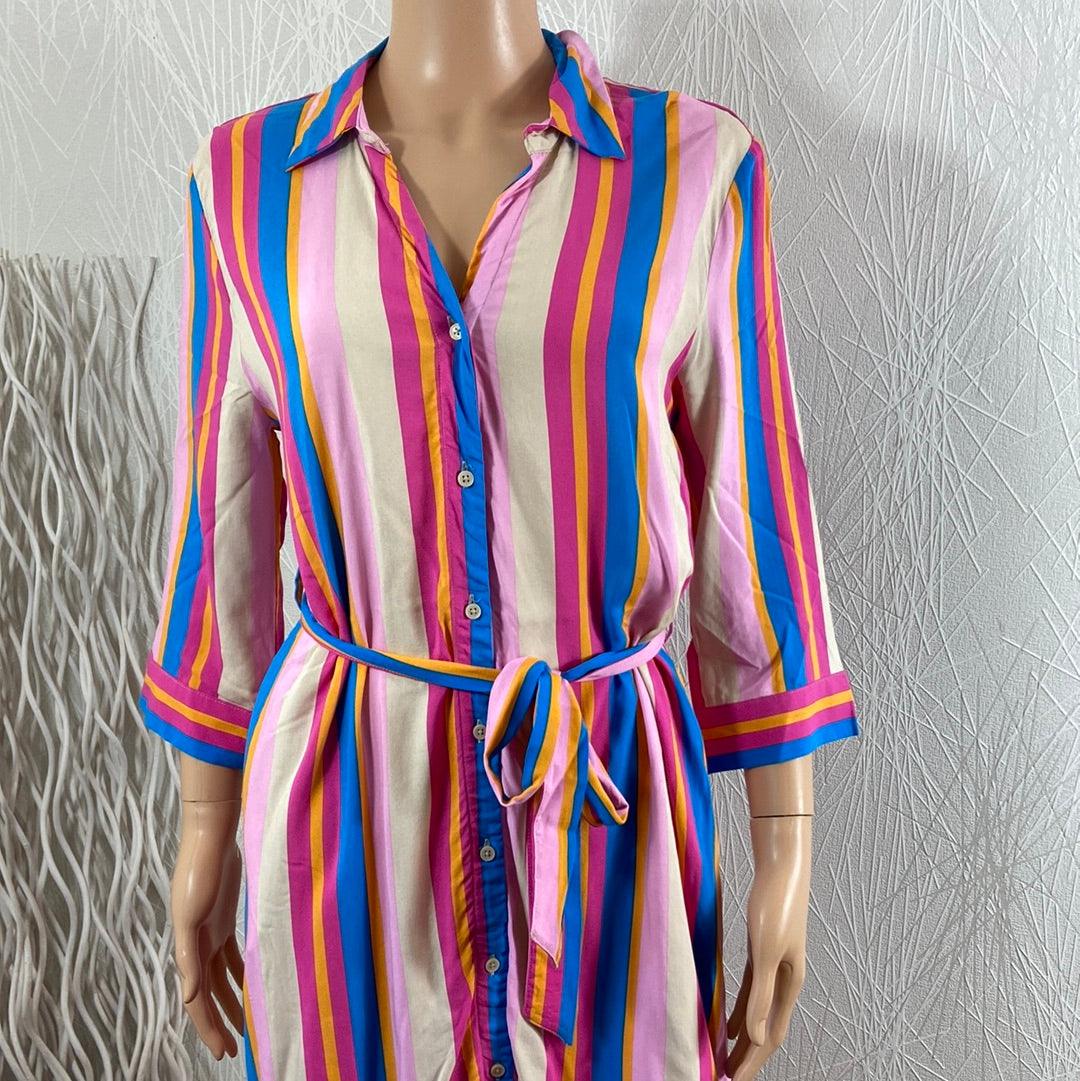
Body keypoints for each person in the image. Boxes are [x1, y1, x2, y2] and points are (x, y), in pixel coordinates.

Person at [138, 6, 860, 1080]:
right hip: (348, 818)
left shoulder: (695, 168)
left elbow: (755, 519)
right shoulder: (245, 183)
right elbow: (219, 525)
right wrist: (205, 828)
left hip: (611, 809)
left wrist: (785, 853)